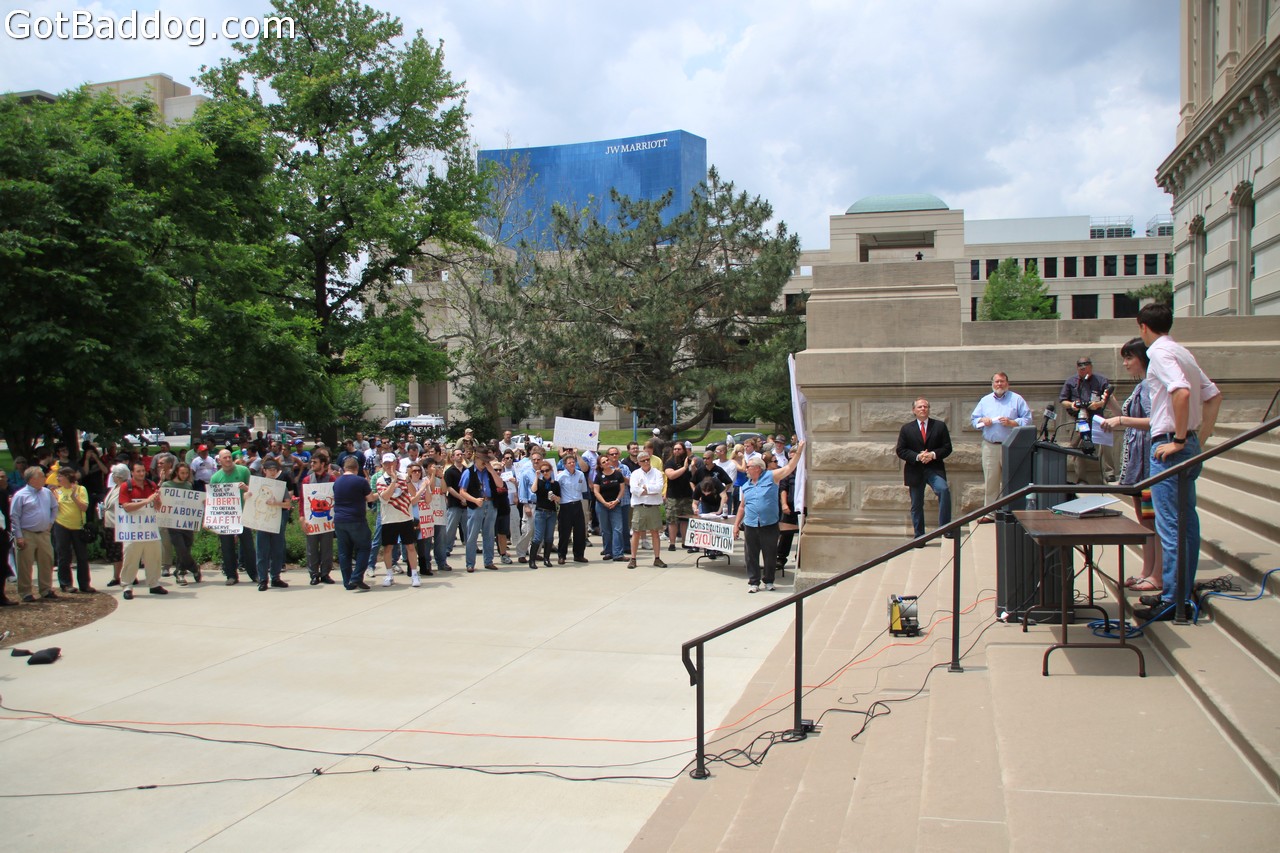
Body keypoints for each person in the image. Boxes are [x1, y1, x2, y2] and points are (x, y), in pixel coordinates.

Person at [1132, 303, 1222, 621]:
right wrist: (1198, 440)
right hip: (1187, 443)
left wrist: (1180, 440)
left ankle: (1174, 599)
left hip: (1171, 445)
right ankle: (1178, 592)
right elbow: (1213, 395)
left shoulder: (1159, 352)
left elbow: (1181, 392)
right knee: (1185, 523)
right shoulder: (1182, 352)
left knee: (1171, 524)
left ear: (1143, 327)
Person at [1100, 338, 1162, 592]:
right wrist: (1113, 405)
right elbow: (1129, 419)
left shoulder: (1151, 386)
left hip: (1147, 465)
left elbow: (1155, 421)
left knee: (1152, 522)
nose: (1125, 364)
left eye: (1129, 358)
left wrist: (1122, 420)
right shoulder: (1141, 385)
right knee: (1144, 521)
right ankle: (1147, 571)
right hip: (1137, 466)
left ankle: (1157, 574)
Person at [732, 440, 806, 593]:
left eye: (748, 466)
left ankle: (769, 580)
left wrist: (799, 451)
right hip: (751, 524)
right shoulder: (746, 485)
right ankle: (754, 582)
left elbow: (789, 467)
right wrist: (736, 525)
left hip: (769, 524)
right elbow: (742, 507)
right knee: (751, 555)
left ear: (758, 468)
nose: (746, 469)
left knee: (770, 554)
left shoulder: (771, 476)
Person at [970, 372, 1032, 522]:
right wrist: (983, 420)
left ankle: (1012, 512)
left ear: (1007, 384)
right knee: (991, 481)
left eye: (1002, 381)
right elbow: (974, 420)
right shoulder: (985, 400)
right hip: (990, 446)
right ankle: (990, 514)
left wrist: (1012, 422)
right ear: (992, 384)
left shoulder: (1016, 399)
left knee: (1012, 481)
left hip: (1011, 446)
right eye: (997, 382)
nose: (999, 384)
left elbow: (1028, 419)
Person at [894, 398, 953, 543]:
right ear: (914, 410)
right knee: (916, 504)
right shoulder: (906, 429)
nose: (923, 409)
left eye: (925, 406)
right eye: (920, 407)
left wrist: (932, 455)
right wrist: (918, 456)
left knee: (944, 490)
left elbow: (947, 448)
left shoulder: (939, 426)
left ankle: (945, 528)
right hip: (915, 470)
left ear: (929, 409)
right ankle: (919, 536)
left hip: (934, 468)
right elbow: (901, 450)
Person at [1059, 355, 1114, 484]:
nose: (1083, 370)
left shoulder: (1100, 380)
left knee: (1105, 444)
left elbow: (1108, 397)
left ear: (1091, 367)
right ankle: (1081, 479)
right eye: (1081, 368)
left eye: (1086, 367)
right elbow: (1063, 400)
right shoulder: (1071, 381)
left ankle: (1109, 474)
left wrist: (1098, 404)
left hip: (1097, 417)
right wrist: (1072, 405)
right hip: (1081, 418)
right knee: (1078, 447)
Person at [118, 462, 166, 599]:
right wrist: (146, 501)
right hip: (132, 531)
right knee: (131, 559)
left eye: (143, 471)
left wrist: (157, 500)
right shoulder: (126, 487)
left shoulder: (151, 485)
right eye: (138, 471)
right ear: (132, 473)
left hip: (150, 530)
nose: (141, 473)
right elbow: (126, 507)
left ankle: (154, 584)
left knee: (154, 558)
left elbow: (158, 507)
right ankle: (127, 586)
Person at [10, 466, 58, 602]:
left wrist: (50, 523)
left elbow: (54, 507)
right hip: (27, 533)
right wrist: (19, 536)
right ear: (32, 479)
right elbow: (14, 516)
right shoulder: (20, 495)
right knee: (25, 564)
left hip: (44, 533)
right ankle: (25, 592)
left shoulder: (47, 492)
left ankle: (46, 589)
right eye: (41, 476)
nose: (45, 478)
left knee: (46, 562)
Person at [373, 453, 420, 586]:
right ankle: (389, 575)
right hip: (389, 519)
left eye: (391, 463)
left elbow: (413, 493)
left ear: (395, 463)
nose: (389, 466)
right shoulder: (381, 480)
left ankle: (414, 574)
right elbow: (385, 497)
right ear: (382, 465)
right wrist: (394, 481)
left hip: (405, 518)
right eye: (386, 464)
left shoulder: (404, 477)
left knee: (410, 546)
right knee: (388, 548)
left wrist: (408, 480)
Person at [333, 455, 377, 590]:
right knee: (364, 547)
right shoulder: (361, 481)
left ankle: (348, 582)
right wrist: (380, 493)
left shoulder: (337, 482)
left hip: (339, 520)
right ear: (357, 468)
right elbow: (370, 498)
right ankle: (357, 577)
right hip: (356, 519)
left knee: (344, 552)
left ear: (344, 468)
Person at [250, 458, 294, 591]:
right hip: (262, 521)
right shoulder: (257, 484)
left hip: (276, 520)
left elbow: (288, 504)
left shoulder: (280, 486)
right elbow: (250, 498)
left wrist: (276, 503)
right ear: (264, 471)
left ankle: (275, 577)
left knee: (277, 550)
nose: (273, 472)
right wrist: (246, 494)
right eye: (270, 470)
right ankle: (263, 579)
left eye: (274, 470)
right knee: (262, 551)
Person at [53, 467, 93, 594]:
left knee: (82, 556)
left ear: (67, 476)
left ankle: (84, 584)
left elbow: (84, 507)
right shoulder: (57, 491)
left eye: (60, 476)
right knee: (64, 556)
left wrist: (74, 497)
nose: (58, 478)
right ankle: (65, 584)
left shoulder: (81, 489)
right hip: (61, 525)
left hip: (78, 527)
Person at [299, 450, 337, 585]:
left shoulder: (332, 479)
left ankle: (325, 573)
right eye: (311, 462)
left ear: (323, 464)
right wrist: (302, 517)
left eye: (315, 462)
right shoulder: (307, 480)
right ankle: (314, 574)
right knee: (312, 548)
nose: (312, 464)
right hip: (312, 518)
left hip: (327, 519)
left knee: (327, 548)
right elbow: (303, 500)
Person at [162, 462, 202, 586]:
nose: (184, 475)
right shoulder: (167, 485)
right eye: (182, 473)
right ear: (176, 472)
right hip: (173, 523)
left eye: (186, 473)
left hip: (187, 522)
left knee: (186, 548)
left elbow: (191, 503)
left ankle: (180, 571)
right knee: (180, 548)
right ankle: (193, 568)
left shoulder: (188, 485)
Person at [460, 448, 499, 572]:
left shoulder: (489, 471)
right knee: (472, 535)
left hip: (490, 503)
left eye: (487, 460)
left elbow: (500, 484)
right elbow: (462, 491)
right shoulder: (468, 472)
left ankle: (488, 561)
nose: (485, 462)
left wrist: (492, 471)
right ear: (476, 458)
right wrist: (474, 500)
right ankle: (470, 563)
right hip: (476, 506)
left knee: (489, 534)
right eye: (483, 460)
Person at [627, 452, 667, 570]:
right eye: (643, 460)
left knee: (655, 532)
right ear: (639, 462)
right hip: (639, 507)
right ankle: (633, 559)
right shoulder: (635, 473)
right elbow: (634, 489)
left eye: (647, 460)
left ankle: (657, 558)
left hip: (653, 506)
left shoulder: (657, 473)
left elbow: (659, 488)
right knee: (636, 532)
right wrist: (648, 490)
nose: (646, 462)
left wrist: (646, 488)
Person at [592, 454, 628, 562]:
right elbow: (596, 492)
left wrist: (616, 500)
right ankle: (608, 552)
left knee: (618, 529)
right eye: (603, 462)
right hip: (602, 506)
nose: (607, 462)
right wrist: (604, 503)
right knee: (605, 530)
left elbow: (622, 489)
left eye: (607, 460)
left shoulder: (618, 474)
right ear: (600, 465)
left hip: (615, 505)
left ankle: (618, 554)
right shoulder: (598, 476)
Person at [555, 454, 589, 564]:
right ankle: (562, 555)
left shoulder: (580, 474)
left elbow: (583, 489)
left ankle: (579, 555)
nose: (572, 464)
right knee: (564, 532)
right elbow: (556, 491)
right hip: (565, 506)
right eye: (569, 463)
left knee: (580, 532)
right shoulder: (560, 476)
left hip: (577, 504)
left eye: (573, 462)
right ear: (565, 465)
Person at [664, 442, 696, 553]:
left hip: (687, 495)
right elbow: (671, 475)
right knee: (672, 520)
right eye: (675, 449)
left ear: (684, 450)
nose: (676, 451)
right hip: (673, 496)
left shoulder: (689, 461)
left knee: (685, 520)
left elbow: (695, 476)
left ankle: (684, 542)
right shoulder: (670, 462)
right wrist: (684, 468)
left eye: (679, 449)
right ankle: (672, 543)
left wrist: (692, 467)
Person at [100, 464, 128, 587]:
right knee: (113, 551)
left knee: (120, 551)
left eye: (114, 475)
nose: (112, 477)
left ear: (119, 476)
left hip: (119, 524)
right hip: (109, 523)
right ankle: (118, 575)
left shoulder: (125, 488)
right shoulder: (114, 487)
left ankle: (120, 576)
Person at [530, 458, 560, 568]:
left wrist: (555, 498)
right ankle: (532, 560)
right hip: (540, 512)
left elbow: (559, 499)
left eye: (547, 470)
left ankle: (546, 559)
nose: (545, 473)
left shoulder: (555, 484)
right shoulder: (539, 482)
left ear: (551, 470)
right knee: (538, 537)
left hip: (551, 512)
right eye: (542, 471)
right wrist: (536, 477)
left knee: (549, 537)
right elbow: (533, 490)